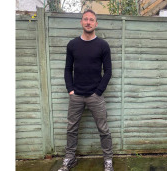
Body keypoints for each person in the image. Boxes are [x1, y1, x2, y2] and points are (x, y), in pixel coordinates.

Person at [58, 9, 113, 171]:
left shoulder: (103, 45)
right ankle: (69, 159)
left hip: (95, 96)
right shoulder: (72, 45)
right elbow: (68, 69)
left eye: (91, 20)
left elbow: (108, 71)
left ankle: (108, 160)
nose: (88, 22)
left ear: (96, 23)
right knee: (71, 129)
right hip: (76, 96)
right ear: (81, 22)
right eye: (85, 19)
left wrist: (99, 91)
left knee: (103, 129)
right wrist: (70, 90)